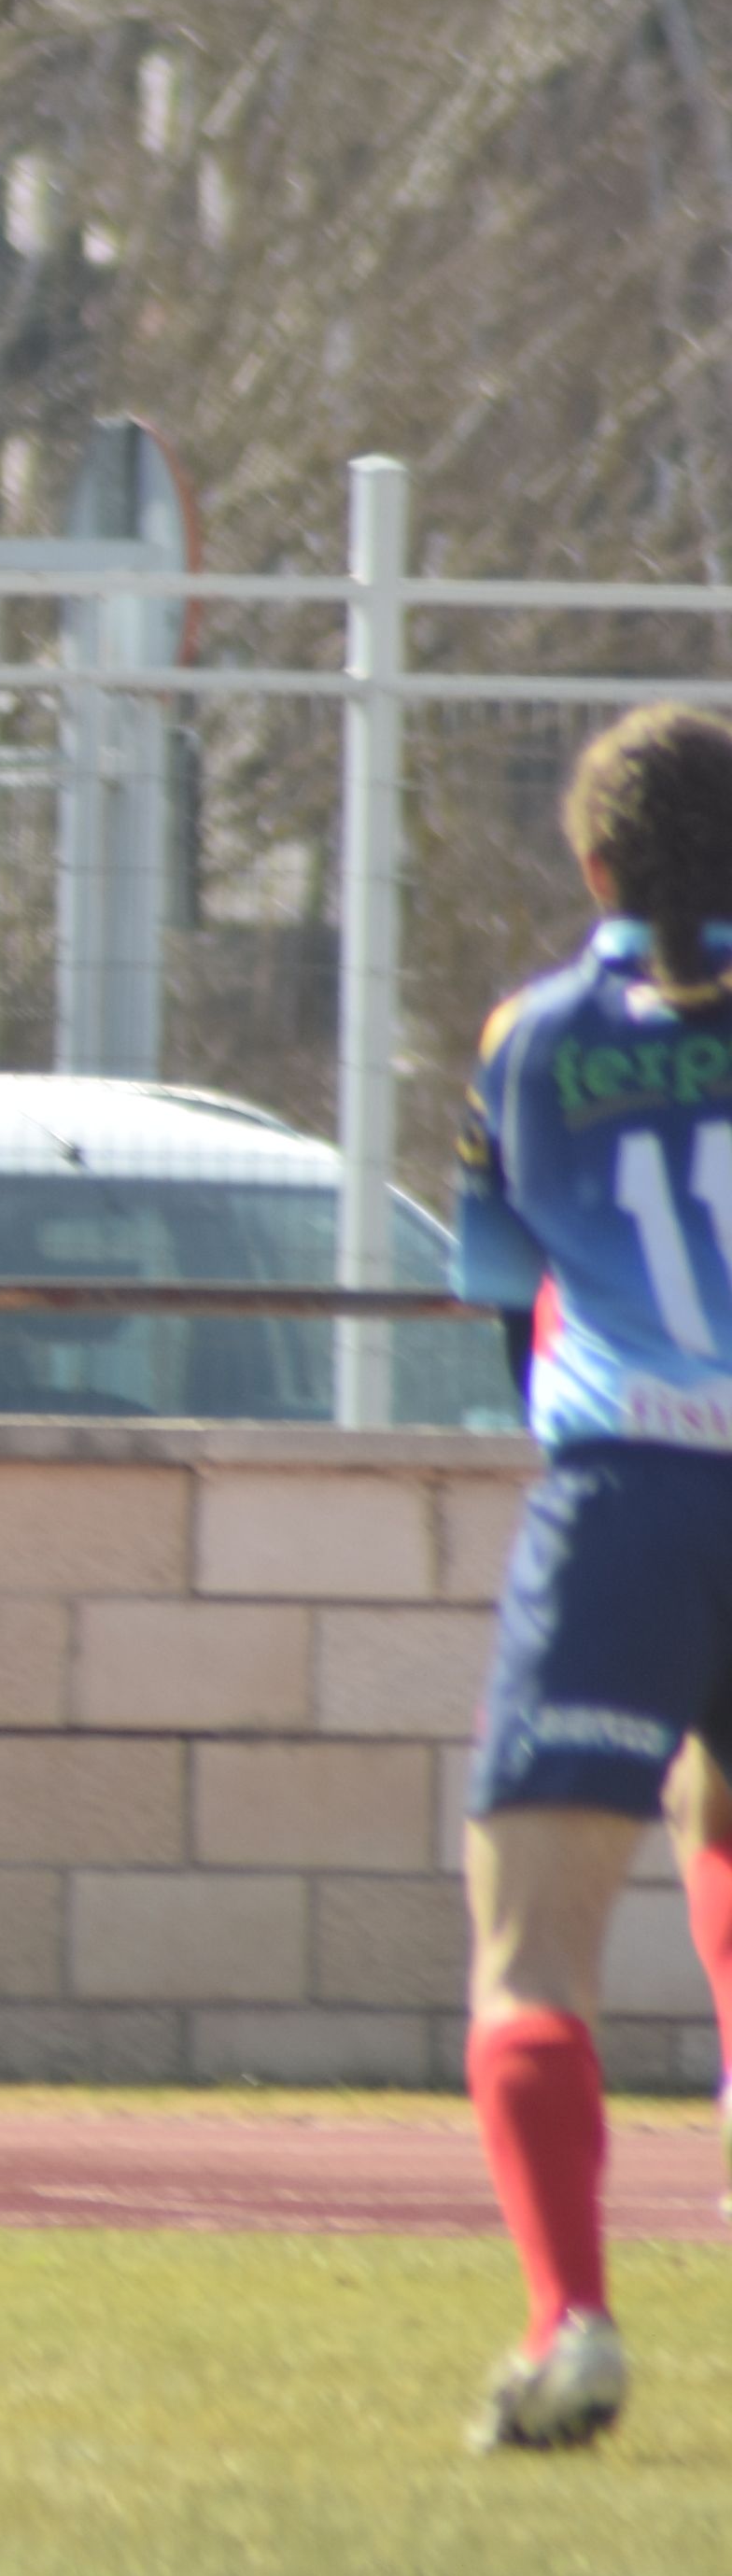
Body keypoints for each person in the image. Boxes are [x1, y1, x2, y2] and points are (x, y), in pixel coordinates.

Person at [441, 698, 732, 2452]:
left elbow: (497, 1276)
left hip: (624, 1489)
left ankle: (570, 2332)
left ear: (597, 864)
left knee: (532, 1950)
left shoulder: (526, 1040)